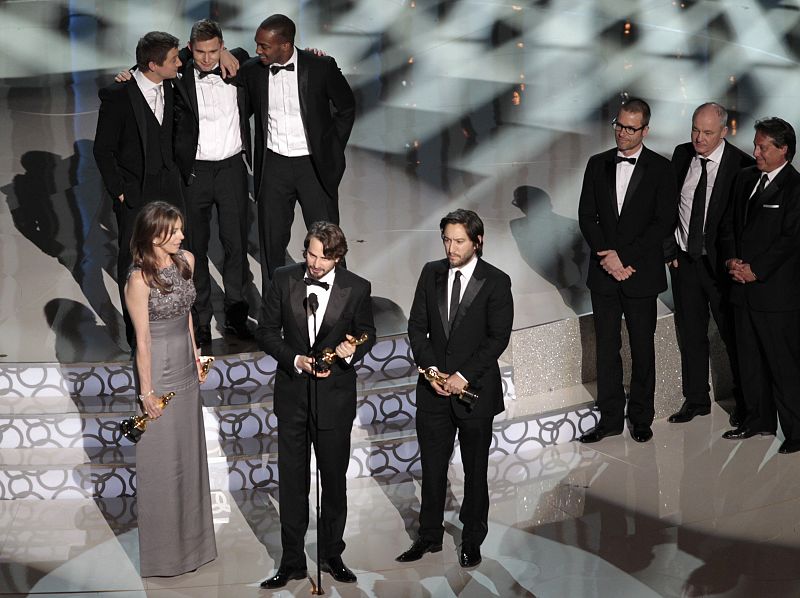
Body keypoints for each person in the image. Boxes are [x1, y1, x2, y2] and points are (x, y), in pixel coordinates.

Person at [255, 222, 375, 589]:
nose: (314, 263)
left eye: (323, 257)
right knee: (292, 483)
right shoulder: (283, 278)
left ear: (338, 257)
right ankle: (291, 560)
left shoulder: (357, 287)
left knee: (333, 482)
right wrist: (295, 359)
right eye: (310, 253)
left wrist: (352, 351)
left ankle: (331, 555)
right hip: (293, 397)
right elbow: (265, 331)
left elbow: (368, 331)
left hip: (334, 400)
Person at [396, 209, 513, 569]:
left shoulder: (495, 281)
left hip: (474, 391)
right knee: (431, 467)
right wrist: (431, 371)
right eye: (446, 239)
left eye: (458, 240)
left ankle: (472, 538)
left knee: (475, 470)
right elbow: (417, 326)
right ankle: (428, 535)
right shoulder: (431, 272)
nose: (451, 247)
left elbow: (497, 339)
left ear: (478, 241)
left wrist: (461, 375)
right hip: (433, 391)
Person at [577, 98, 677, 444]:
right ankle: (609, 419)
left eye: (630, 128)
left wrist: (624, 258)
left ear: (645, 130)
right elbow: (587, 217)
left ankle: (641, 417)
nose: (622, 132)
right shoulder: (596, 164)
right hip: (604, 273)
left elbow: (662, 223)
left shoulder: (662, 169)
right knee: (606, 348)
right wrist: (608, 257)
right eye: (618, 125)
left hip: (640, 273)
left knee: (642, 347)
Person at [124, 201, 216, 576]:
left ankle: (195, 549)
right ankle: (164, 557)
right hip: (158, 370)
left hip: (184, 364)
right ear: (154, 234)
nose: (182, 235)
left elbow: (188, 314)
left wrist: (196, 356)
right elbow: (142, 341)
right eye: (174, 231)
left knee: (189, 456)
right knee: (162, 463)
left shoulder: (186, 261)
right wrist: (146, 393)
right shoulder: (138, 279)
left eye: (181, 229)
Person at [238, 14, 356, 291]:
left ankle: (337, 303)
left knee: (327, 239)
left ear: (285, 45)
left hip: (313, 167)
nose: (258, 51)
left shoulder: (320, 66)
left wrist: (331, 147)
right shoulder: (253, 71)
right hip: (273, 165)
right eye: (257, 45)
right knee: (272, 241)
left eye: (264, 46)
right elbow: (223, 63)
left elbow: (346, 107)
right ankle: (275, 308)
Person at [665, 103, 754, 425]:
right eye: (695, 130)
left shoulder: (743, 165)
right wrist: (669, 251)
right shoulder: (680, 155)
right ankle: (696, 399)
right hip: (685, 262)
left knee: (733, 334)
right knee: (690, 333)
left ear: (724, 132)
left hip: (721, 266)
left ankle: (746, 403)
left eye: (707, 132)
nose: (699, 139)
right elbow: (667, 206)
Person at [94, 31, 185, 346]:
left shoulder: (175, 84)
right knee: (132, 258)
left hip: (170, 188)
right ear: (153, 64)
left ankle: (172, 322)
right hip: (135, 191)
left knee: (174, 253)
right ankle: (137, 335)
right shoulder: (118, 95)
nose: (180, 62)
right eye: (173, 59)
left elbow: (213, 53)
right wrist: (119, 190)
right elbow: (102, 150)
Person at [718, 117, 800, 453]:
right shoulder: (744, 179)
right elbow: (728, 226)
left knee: (784, 366)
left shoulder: (796, 188)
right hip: (742, 290)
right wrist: (731, 261)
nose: (756, 152)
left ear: (784, 150)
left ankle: (795, 431)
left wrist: (757, 270)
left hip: (776, 295)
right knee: (749, 361)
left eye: (763, 147)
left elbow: (791, 239)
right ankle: (757, 420)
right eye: (756, 144)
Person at [173, 19, 253, 345]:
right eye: (201, 52)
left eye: (214, 51)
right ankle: (201, 320)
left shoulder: (238, 66)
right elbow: (150, 60)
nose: (207, 59)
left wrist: (231, 55)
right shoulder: (179, 78)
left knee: (236, 246)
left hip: (233, 169)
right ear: (190, 50)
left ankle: (236, 316)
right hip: (196, 173)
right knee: (196, 249)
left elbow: (268, 54)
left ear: (223, 46)